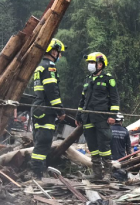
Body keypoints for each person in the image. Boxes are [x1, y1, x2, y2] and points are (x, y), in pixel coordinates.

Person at [76, 52, 120, 181]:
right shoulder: (87, 79)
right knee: (92, 147)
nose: (90, 65)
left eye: (92, 63)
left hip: (102, 118)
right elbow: (83, 100)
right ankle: (96, 173)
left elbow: (115, 99)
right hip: (88, 117)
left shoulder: (108, 79)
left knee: (104, 146)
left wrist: (113, 115)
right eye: (89, 63)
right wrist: (79, 116)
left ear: (100, 64)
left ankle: (107, 173)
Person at [30, 39, 67, 179]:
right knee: (44, 142)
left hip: (38, 108)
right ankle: (37, 173)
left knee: (38, 141)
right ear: (53, 51)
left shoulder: (39, 67)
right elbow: (52, 92)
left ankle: (39, 170)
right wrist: (60, 111)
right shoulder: (50, 68)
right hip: (46, 110)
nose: (60, 56)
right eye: (59, 52)